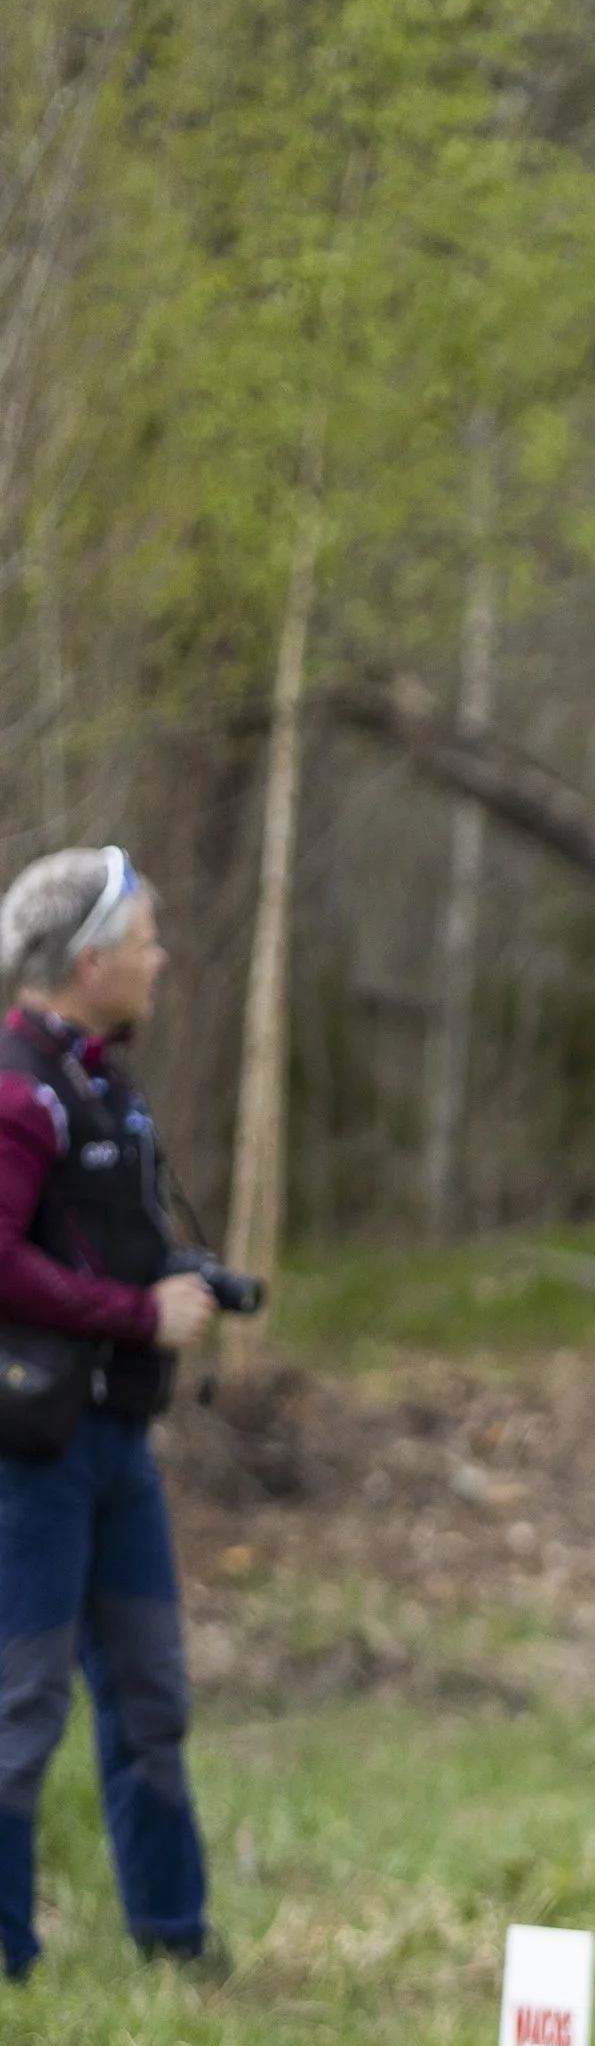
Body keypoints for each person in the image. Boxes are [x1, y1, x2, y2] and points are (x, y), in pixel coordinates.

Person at [0, 846, 219, 1984]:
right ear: (89, 960)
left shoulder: (104, 1080)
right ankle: (7, 1960)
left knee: (152, 1693)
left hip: (117, 1449)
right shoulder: (16, 1089)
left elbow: (83, 1238)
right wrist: (135, 1312)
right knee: (20, 1705)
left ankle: (175, 1943)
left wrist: (178, 1278)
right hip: (31, 1457)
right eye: (142, 941)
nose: (159, 958)